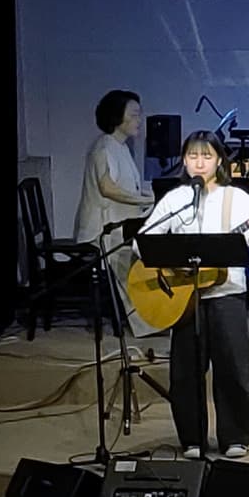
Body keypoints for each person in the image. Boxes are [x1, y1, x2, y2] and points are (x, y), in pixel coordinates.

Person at [139, 131, 249, 460]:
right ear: (184, 161)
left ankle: (235, 436)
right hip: (184, 298)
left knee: (232, 367)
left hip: (227, 292)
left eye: (206, 156)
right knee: (185, 371)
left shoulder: (236, 197)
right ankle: (192, 438)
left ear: (219, 160)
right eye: (193, 156)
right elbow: (144, 242)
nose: (199, 163)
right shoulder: (176, 198)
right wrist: (172, 263)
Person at [74, 89, 157, 338]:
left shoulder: (120, 147)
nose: (139, 120)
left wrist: (148, 195)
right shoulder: (103, 147)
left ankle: (156, 316)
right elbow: (107, 187)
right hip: (103, 228)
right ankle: (147, 324)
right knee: (130, 264)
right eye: (134, 114)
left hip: (119, 222)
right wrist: (144, 200)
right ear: (117, 117)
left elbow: (129, 186)